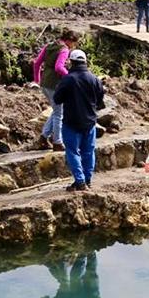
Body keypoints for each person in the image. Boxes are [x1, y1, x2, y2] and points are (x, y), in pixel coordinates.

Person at [52, 49, 105, 192]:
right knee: (88, 152)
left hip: (71, 122)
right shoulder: (94, 79)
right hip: (90, 123)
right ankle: (87, 180)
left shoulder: (68, 79)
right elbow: (100, 101)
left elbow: (57, 99)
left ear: (71, 62)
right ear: (85, 62)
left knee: (73, 151)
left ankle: (80, 182)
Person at [31, 29, 78, 152]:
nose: (74, 46)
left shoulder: (49, 46)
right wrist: (70, 77)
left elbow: (37, 63)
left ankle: (43, 137)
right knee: (59, 114)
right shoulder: (64, 49)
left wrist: (37, 79)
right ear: (69, 41)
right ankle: (57, 142)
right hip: (55, 85)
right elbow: (59, 67)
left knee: (56, 110)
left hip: (45, 84)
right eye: (74, 43)